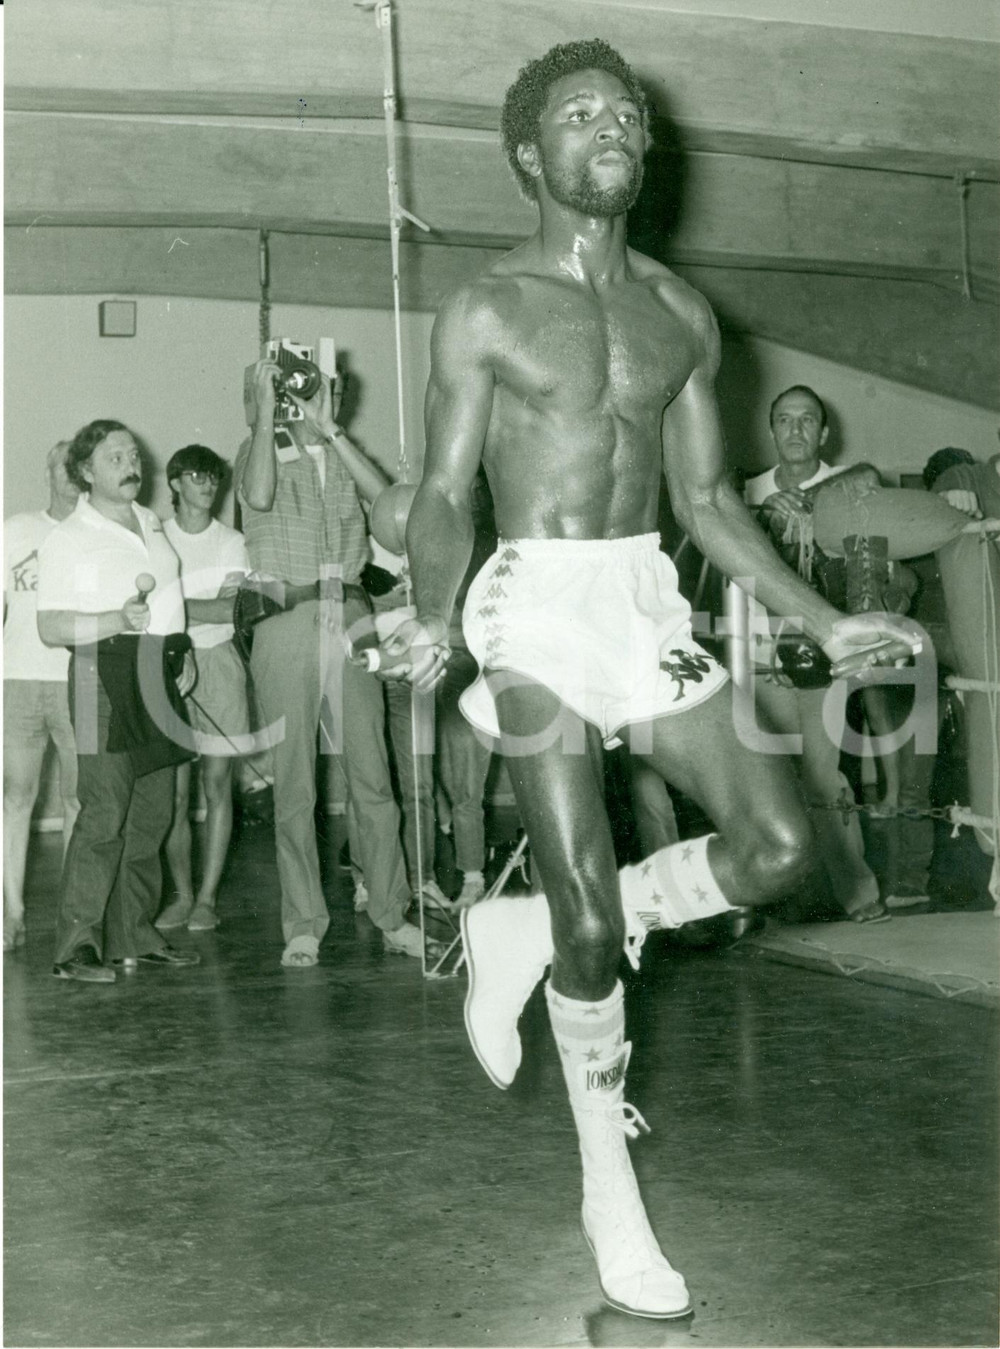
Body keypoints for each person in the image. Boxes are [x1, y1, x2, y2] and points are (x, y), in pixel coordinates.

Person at [379, 39, 918, 1320]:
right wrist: (434, 614)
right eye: (580, 114)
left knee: (782, 847)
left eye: (624, 113)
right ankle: (607, 1188)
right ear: (530, 154)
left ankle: (518, 931)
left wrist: (823, 618)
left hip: (641, 599)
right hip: (528, 600)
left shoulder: (680, 314)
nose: (610, 126)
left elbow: (709, 500)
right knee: (586, 920)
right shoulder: (487, 308)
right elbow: (444, 493)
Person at [236, 360, 421, 966]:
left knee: (374, 779)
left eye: (328, 390)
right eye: (304, 390)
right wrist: (267, 414)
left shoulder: (345, 455)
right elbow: (257, 495)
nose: (318, 398)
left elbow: (394, 513)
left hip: (352, 619)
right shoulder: (257, 450)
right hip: (286, 622)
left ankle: (391, 914)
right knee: (294, 787)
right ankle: (303, 925)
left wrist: (332, 430)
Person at [36, 420, 200, 982]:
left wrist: (183, 650)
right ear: (85, 471)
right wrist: (114, 618)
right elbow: (50, 626)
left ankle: (135, 935)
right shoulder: (68, 538)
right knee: (104, 811)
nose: (131, 465)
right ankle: (75, 948)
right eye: (115, 458)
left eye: (133, 455)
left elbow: (171, 597)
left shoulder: (150, 522)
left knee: (153, 812)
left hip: (156, 671)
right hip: (95, 676)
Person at [744, 387, 887, 923]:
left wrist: (813, 499)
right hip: (758, 654)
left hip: (822, 655)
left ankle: (858, 893)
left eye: (807, 420)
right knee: (770, 778)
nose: (796, 430)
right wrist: (761, 512)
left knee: (824, 776)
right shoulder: (747, 489)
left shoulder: (847, 483)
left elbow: (870, 476)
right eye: (785, 419)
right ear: (772, 430)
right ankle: (790, 896)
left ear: (824, 433)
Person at [159, 444, 251, 933]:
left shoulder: (231, 541)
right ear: (175, 483)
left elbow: (229, 612)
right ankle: (181, 896)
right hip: (168, 666)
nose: (208, 485)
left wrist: (172, 604)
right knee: (174, 796)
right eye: (197, 476)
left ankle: (207, 899)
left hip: (219, 664)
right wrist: (190, 611)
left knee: (217, 786)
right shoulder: (155, 537)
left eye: (214, 477)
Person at [3, 441, 81, 952]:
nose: (68, 476)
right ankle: (10, 911)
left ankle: (73, 914)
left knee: (80, 799)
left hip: (79, 682)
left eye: (77, 467)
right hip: (19, 680)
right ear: (47, 473)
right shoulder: (15, 530)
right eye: (60, 467)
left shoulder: (98, 536)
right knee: (15, 796)